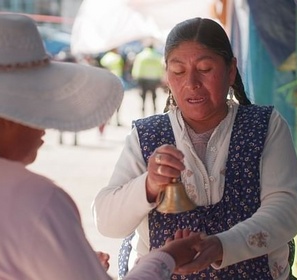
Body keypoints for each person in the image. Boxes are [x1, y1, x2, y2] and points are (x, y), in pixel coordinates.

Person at [93, 17, 297, 279]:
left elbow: (285, 209)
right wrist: (149, 186)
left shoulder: (265, 126)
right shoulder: (146, 136)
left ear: (230, 70)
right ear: (167, 77)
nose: (191, 82)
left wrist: (221, 246)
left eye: (204, 68)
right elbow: (107, 222)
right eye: (178, 71)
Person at [0, 13, 202, 280]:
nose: (43, 126)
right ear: (7, 119)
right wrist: (167, 257)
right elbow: (106, 217)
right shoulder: (36, 198)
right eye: (35, 112)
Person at [131, 43, 164, 115]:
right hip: (154, 79)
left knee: (143, 96)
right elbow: (161, 68)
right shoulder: (157, 56)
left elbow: (137, 67)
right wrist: (161, 77)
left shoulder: (141, 56)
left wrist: (135, 76)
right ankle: (154, 112)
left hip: (143, 79)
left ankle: (143, 112)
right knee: (154, 96)